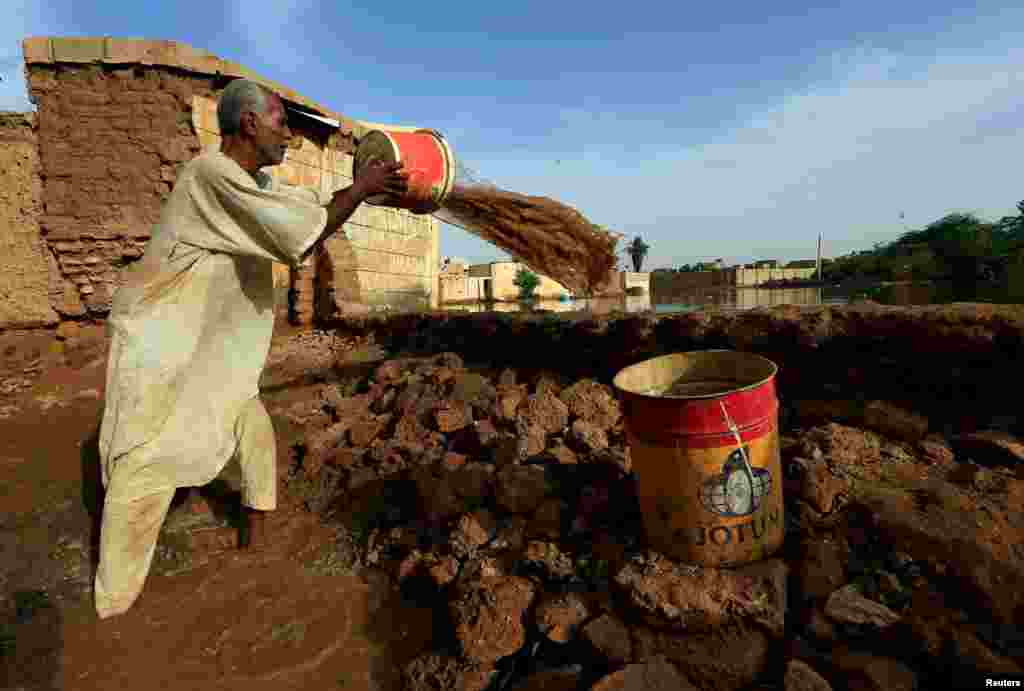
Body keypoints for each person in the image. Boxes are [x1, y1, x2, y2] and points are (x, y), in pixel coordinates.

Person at [93, 78, 408, 619]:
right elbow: (300, 235)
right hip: (162, 345)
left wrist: (364, 187)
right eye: (283, 124)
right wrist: (357, 192)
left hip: (207, 352)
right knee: (143, 465)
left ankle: (255, 544)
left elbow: (309, 206)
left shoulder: (253, 182)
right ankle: (113, 605)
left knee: (252, 428)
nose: (289, 136)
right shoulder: (210, 176)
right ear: (250, 124)